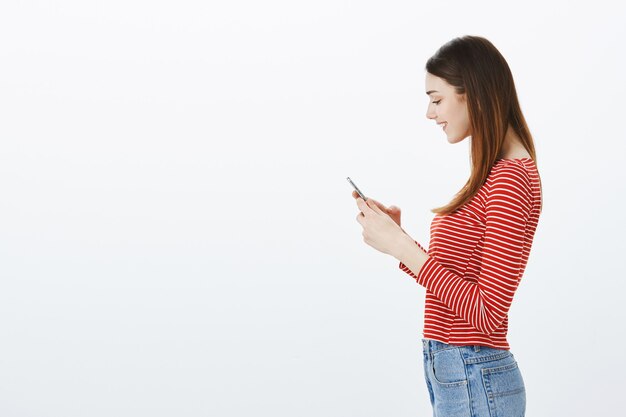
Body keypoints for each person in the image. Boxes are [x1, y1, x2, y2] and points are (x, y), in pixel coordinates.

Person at [352, 35, 542, 417]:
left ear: (473, 94)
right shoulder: (494, 174)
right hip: (461, 373)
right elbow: (456, 282)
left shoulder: (510, 179)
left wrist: (402, 248)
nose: (429, 113)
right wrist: (398, 240)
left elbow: (488, 315)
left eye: (436, 99)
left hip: (474, 373)